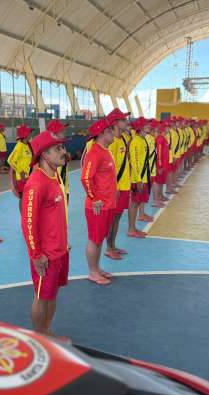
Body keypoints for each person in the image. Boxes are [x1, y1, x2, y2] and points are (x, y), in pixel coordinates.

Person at [21, 130, 69, 335]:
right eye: (57, 149)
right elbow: (28, 223)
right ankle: (40, 337)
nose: (63, 152)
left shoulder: (55, 175)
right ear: (44, 155)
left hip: (60, 250)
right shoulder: (36, 184)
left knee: (52, 294)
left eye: (62, 147)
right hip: (45, 255)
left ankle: (47, 330)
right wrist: (36, 254)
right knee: (42, 296)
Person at [81, 118, 117, 285]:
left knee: (99, 239)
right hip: (98, 206)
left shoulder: (105, 150)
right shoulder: (95, 152)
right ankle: (92, 272)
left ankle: (97, 268)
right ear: (101, 133)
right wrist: (94, 199)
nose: (113, 132)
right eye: (109, 130)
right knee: (94, 239)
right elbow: (85, 178)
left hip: (107, 204)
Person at [105, 108, 132, 260]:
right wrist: (114, 187)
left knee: (118, 217)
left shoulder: (123, 139)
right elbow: (110, 169)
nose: (126, 122)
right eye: (123, 120)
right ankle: (108, 247)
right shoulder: (112, 142)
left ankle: (113, 244)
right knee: (113, 218)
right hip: (116, 188)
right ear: (115, 123)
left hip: (124, 185)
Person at [7, 124, 33, 204]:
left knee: (29, 199)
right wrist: (20, 171)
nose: (30, 135)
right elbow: (10, 160)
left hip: (28, 176)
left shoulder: (27, 145)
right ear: (25, 135)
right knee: (24, 199)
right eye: (29, 133)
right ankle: (24, 215)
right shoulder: (19, 146)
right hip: (22, 178)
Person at [46, 119, 70, 203]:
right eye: (61, 130)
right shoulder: (50, 150)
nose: (64, 132)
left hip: (64, 185)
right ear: (54, 133)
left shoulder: (61, 145)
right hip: (57, 189)